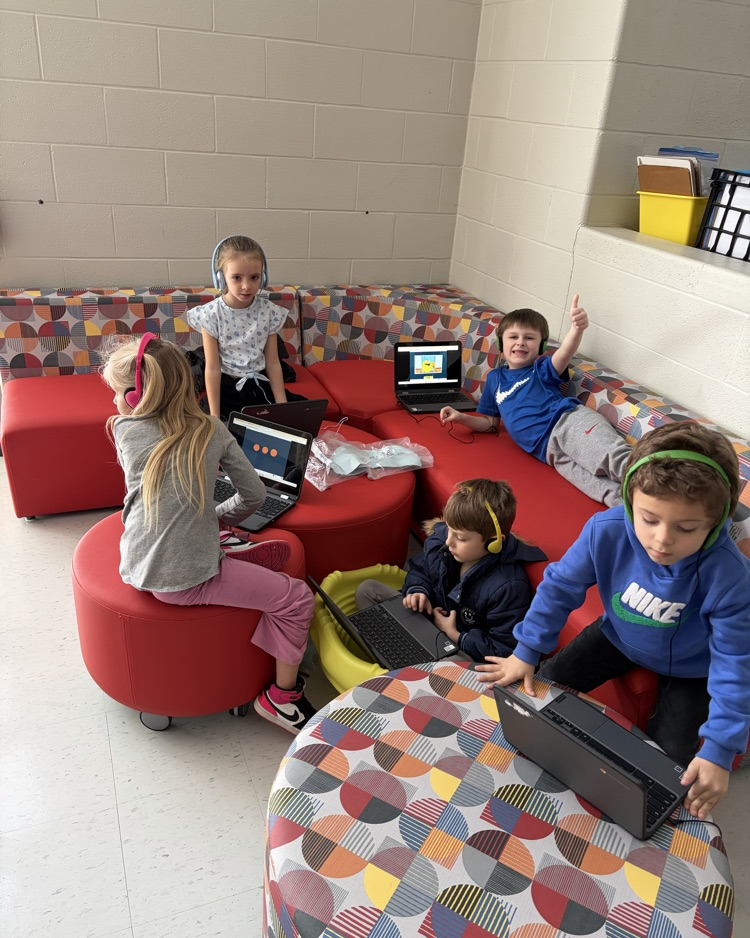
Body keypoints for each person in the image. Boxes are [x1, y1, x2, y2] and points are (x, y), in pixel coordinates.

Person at [479, 422, 750, 820]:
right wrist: (526, 651)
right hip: (617, 637)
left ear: (716, 522)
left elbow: (735, 662)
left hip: (695, 669)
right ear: (629, 499)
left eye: (686, 528)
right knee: (538, 693)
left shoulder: (729, 574)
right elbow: (559, 588)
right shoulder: (606, 530)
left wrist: (720, 749)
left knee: (671, 770)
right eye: (649, 519)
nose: (661, 540)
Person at [101, 333, 317, 734]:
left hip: (135, 557)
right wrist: (218, 516)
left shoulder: (124, 430)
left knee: (194, 521)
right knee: (298, 598)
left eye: (118, 392)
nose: (115, 401)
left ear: (135, 398)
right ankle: (280, 700)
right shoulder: (213, 430)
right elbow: (253, 495)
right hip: (181, 580)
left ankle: (222, 548)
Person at [440, 296, 631, 506]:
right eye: (513, 336)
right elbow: (489, 423)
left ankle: (668, 486)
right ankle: (651, 518)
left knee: (617, 461)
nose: (520, 342)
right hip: (548, 453)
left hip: (567, 424)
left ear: (541, 346)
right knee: (607, 493)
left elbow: (565, 353)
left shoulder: (541, 369)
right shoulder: (494, 379)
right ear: (501, 343)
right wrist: (461, 418)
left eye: (529, 338)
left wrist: (577, 329)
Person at [355, 478, 546, 661]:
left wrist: (456, 635)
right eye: (448, 529)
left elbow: (504, 650)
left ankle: (397, 655)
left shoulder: (508, 586)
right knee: (368, 590)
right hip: (427, 622)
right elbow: (420, 571)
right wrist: (418, 592)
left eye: (461, 538)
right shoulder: (443, 546)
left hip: (456, 648)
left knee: (453, 664)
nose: (449, 542)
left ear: (494, 543)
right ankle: (405, 655)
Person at [187, 234, 302, 420]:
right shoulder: (210, 315)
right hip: (226, 390)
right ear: (221, 278)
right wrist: (215, 416)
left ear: (263, 278)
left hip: (258, 385)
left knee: (296, 419)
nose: (246, 286)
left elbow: (272, 363)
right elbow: (212, 368)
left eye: (254, 277)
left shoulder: (269, 312)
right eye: (237, 278)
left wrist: (282, 407)